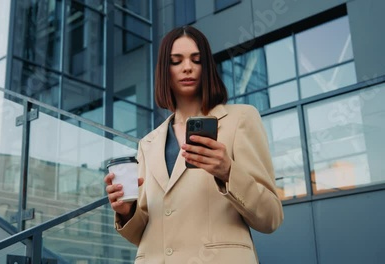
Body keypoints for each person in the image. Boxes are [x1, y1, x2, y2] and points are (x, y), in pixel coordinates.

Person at [104, 26, 283, 263]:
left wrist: (228, 172)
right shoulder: (148, 143)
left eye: (196, 60)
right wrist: (126, 212)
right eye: (176, 61)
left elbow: (270, 217)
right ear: (164, 71)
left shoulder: (240, 119)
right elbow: (147, 232)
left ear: (206, 67)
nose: (187, 67)